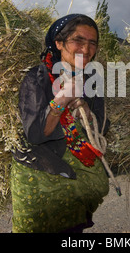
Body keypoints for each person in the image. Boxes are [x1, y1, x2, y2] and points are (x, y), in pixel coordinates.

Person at [11, 14, 110, 233]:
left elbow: (102, 126)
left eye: (92, 42)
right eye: (78, 40)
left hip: (79, 173)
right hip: (40, 172)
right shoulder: (37, 78)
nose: (86, 48)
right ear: (59, 43)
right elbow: (35, 135)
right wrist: (61, 100)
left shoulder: (92, 80)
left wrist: (86, 111)